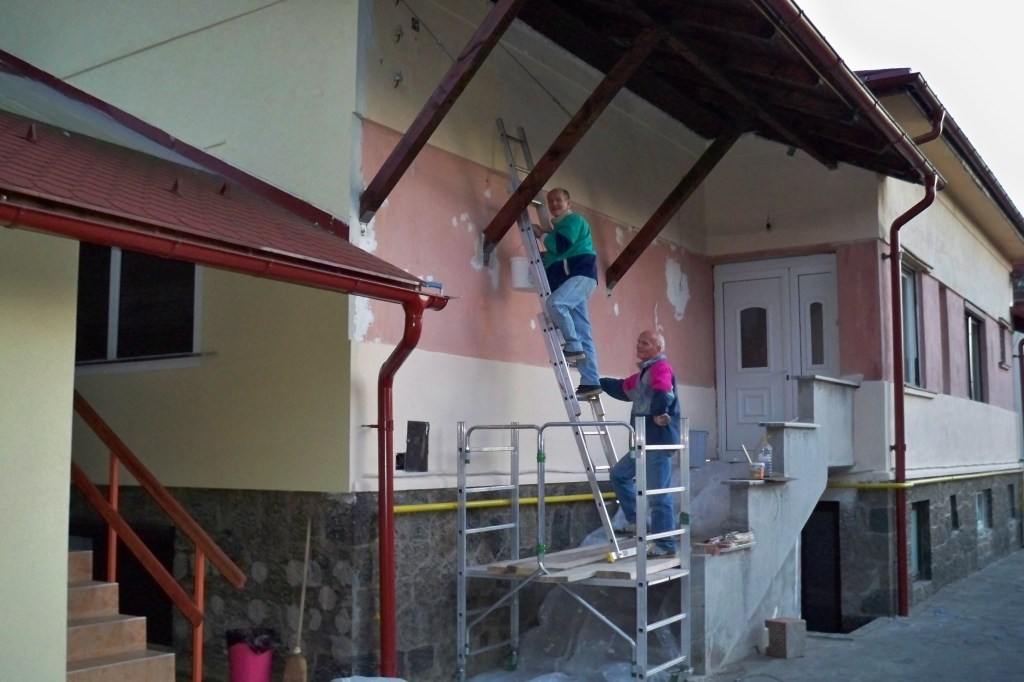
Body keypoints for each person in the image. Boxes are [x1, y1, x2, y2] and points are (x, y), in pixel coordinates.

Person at [600, 330, 680, 558]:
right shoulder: (645, 373)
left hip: (656, 442)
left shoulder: (660, 368)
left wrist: (658, 412)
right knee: (619, 475)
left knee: (658, 495)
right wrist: (596, 382)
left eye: (644, 343)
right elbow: (623, 388)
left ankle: (666, 544)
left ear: (658, 349)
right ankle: (638, 522)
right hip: (642, 442)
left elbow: (664, 393)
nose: (639, 345)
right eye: (638, 342)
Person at [534, 188, 601, 399]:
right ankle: (590, 382)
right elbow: (559, 253)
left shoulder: (572, 221)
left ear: (568, 204)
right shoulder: (560, 228)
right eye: (551, 201)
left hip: (580, 276)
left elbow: (561, 245)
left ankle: (572, 345)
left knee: (555, 304)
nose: (554, 204)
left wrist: (541, 234)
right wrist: (543, 257)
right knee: (583, 332)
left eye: (559, 200)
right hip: (575, 281)